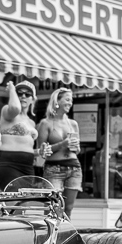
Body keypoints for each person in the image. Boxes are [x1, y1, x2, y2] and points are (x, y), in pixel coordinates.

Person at [37, 88, 82, 218]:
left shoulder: (73, 124)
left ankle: (65, 236)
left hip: (74, 168)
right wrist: (62, 144)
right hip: (53, 169)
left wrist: (76, 147)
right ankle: (49, 236)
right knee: (52, 208)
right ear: (57, 101)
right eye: (67, 99)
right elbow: (43, 152)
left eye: (71, 100)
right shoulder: (46, 123)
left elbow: (77, 150)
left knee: (68, 209)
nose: (70, 103)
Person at [0, 80, 39, 192]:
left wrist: (40, 152)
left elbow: (26, 148)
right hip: (9, 164)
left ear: (32, 99)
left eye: (27, 94)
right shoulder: (7, 111)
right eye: (19, 93)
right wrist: (12, 89)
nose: (23, 96)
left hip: (27, 167)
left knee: (23, 204)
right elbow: (15, 108)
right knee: (12, 203)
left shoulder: (31, 122)